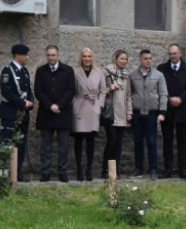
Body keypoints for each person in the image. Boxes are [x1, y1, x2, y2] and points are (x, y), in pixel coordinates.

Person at [34, 45, 74, 182]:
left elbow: (71, 90)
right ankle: (45, 172)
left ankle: (63, 172)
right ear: (46, 56)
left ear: (58, 55)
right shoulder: (40, 71)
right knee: (46, 146)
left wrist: (59, 105)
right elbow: (38, 91)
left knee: (63, 146)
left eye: (53, 55)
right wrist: (50, 105)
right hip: (46, 113)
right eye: (49, 55)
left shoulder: (68, 70)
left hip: (63, 114)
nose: (51, 58)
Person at [157, 44, 186, 179]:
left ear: (180, 54)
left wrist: (181, 98)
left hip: (184, 109)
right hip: (167, 110)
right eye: (170, 54)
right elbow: (158, 87)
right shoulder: (161, 69)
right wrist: (169, 99)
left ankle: (183, 170)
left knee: (183, 142)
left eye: (175, 53)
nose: (172, 56)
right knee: (167, 142)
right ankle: (168, 170)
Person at [0, 43, 35, 182]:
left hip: (23, 114)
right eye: (25, 55)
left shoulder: (24, 71)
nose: (27, 57)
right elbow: (6, 91)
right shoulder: (7, 70)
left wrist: (30, 102)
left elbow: (28, 90)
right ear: (18, 55)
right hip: (10, 113)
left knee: (20, 144)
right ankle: (0, 174)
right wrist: (22, 103)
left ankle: (17, 173)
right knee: (5, 143)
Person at [129, 49, 168, 179]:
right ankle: (138, 168)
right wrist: (129, 112)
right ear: (140, 59)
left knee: (152, 142)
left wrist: (162, 112)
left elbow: (163, 94)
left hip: (152, 114)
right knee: (138, 142)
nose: (148, 61)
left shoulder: (158, 75)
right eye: (145, 58)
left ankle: (153, 169)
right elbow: (129, 95)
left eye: (150, 58)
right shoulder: (133, 75)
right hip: (137, 114)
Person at [71, 48, 106, 182]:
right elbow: (71, 89)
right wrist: (73, 103)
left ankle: (89, 170)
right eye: (84, 56)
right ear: (81, 58)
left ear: (92, 58)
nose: (87, 59)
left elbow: (103, 90)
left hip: (93, 107)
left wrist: (99, 105)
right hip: (79, 106)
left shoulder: (99, 72)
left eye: (89, 56)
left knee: (91, 141)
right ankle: (79, 169)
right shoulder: (75, 72)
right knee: (79, 141)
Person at [101, 50, 134, 179]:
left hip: (122, 114)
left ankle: (115, 171)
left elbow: (128, 96)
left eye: (126, 59)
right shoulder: (106, 73)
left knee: (119, 143)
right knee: (112, 141)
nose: (124, 61)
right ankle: (106, 169)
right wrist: (110, 88)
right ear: (115, 59)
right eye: (122, 59)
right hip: (110, 114)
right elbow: (100, 91)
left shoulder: (126, 76)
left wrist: (129, 112)